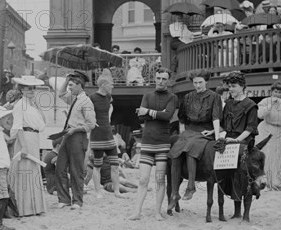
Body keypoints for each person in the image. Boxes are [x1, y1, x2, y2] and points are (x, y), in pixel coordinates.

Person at [128, 68, 178, 221]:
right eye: (158, 78)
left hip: (163, 143)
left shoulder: (172, 97)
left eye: (164, 79)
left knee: (160, 180)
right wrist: (157, 113)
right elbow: (140, 116)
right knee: (143, 180)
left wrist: (148, 111)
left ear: (168, 80)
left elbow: (167, 116)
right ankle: (137, 211)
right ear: (154, 78)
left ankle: (157, 212)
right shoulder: (147, 95)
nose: (161, 81)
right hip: (147, 142)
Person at [168, 70, 222, 206]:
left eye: (200, 82)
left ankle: (191, 186)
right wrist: (182, 133)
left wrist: (215, 134)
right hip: (190, 130)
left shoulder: (214, 97)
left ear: (206, 82)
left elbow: (216, 118)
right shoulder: (187, 97)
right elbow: (181, 118)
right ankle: (174, 193)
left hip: (205, 131)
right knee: (175, 152)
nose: (197, 85)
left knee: (190, 147)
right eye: (195, 83)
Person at [55, 71, 96, 210]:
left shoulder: (86, 101)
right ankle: (64, 199)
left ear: (80, 85)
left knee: (76, 169)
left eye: (71, 85)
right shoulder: (74, 98)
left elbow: (91, 124)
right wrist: (66, 80)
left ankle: (77, 200)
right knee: (60, 167)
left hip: (78, 136)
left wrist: (76, 129)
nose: (69, 88)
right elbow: (60, 94)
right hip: (67, 135)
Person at [218, 71, 259, 207]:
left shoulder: (250, 105)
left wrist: (236, 141)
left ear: (242, 87)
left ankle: (246, 211)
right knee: (227, 175)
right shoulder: (228, 104)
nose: (231, 89)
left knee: (243, 175)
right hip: (229, 140)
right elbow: (223, 125)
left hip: (244, 141)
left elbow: (250, 128)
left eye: (234, 86)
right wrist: (213, 131)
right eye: (229, 87)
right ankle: (235, 211)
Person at [9, 75, 47, 217]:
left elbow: (43, 122)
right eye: (28, 88)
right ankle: (23, 208)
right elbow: (18, 126)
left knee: (33, 170)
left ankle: (34, 207)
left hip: (34, 137)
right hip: (25, 137)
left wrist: (37, 106)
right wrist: (23, 147)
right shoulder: (19, 105)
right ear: (22, 90)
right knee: (25, 170)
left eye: (33, 88)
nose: (32, 91)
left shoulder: (31, 105)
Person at [90, 73, 124, 198]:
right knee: (97, 165)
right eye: (111, 84)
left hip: (108, 135)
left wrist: (108, 117)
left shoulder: (109, 96)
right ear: (104, 85)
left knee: (115, 165)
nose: (113, 86)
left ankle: (117, 192)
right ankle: (97, 192)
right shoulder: (92, 97)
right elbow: (86, 112)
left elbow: (110, 106)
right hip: (97, 135)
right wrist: (92, 122)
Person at [255, 81, 281, 190]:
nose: (277, 94)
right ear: (271, 91)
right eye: (275, 91)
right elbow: (259, 115)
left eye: (279, 92)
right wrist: (269, 106)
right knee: (266, 155)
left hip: (278, 130)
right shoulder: (265, 101)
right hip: (265, 129)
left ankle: (275, 181)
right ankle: (263, 181)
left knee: (277, 155)